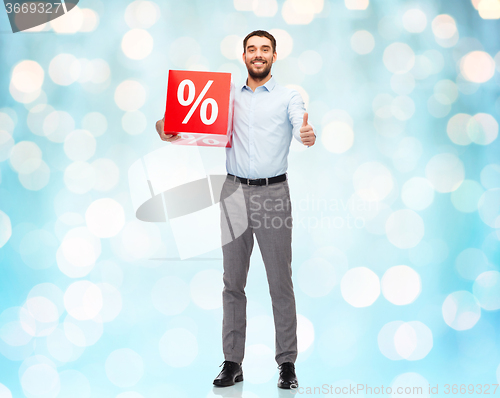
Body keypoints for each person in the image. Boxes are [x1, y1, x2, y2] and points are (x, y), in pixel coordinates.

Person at [156, 30, 316, 390]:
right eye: (252, 49)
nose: (258, 54)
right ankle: (232, 363)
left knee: (280, 282)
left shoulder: (289, 95)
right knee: (232, 283)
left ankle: (287, 364)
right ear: (243, 55)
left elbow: (300, 124)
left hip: (274, 192)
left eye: (264, 49)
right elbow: (176, 122)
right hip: (234, 193)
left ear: (275, 55)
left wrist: (307, 134)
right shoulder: (223, 95)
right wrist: (164, 127)